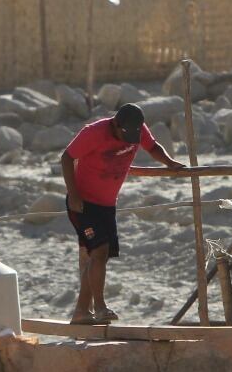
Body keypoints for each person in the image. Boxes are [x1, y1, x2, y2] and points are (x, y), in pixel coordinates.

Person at [60, 101, 186, 323]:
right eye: (125, 135)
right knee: (99, 251)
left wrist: (169, 162)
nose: (130, 140)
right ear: (116, 125)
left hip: (107, 204)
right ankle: (100, 308)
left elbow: (153, 146)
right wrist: (74, 194)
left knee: (99, 256)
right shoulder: (94, 133)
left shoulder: (137, 129)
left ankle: (81, 312)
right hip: (83, 204)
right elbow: (67, 157)